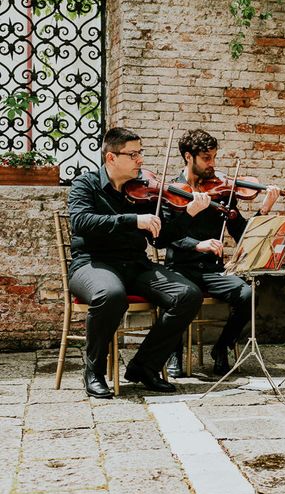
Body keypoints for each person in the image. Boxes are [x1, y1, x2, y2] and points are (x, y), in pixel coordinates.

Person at [68, 127, 204, 398]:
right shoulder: (86, 184)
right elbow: (81, 221)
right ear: (111, 158)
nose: (140, 160)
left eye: (140, 153)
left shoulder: (142, 190)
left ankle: (145, 366)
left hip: (135, 265)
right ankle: (93, 370)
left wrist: (188, 214)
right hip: (92, 264)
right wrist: (132, 220)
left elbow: (160, 239)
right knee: (111, 295)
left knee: (188, 295)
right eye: (133, 154)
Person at [163, 129, 280, 377]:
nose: (213, 165)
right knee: (179, 296)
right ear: (188, 157)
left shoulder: (223, 192)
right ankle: (174, 353)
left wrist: (265, 210)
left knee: (247, 294)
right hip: (180, 268)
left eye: (214, 157)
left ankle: (222, 347)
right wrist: (197, 244)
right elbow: (165, 237)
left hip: (212, 269)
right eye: (206, 158)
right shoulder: (171, 190)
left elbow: (242, 234)